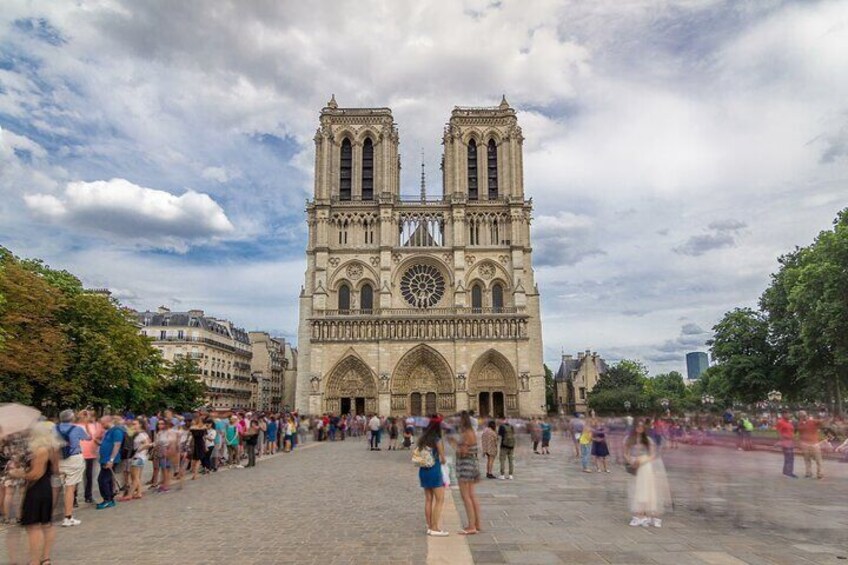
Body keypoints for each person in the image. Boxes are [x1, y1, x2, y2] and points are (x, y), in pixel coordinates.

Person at [10, 422, 60, 565]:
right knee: (46, 524)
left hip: (37, 489)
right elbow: (56, 470)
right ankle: (45, 558)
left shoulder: (40, 450)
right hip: (47, 488)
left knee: (34, 526)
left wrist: (19, 474)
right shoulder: (52, 448)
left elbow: (35, 474)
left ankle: (34, 560)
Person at [624, 420, 671, 527]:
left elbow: (653, 454)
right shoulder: (629, 439)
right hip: (634, 465)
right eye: (638, 426)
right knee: (636, 488)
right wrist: (630, 461)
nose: (639, 428)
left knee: (647, 488)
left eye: (641, 427)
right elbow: (625, 452)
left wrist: (642, 461)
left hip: (645, 465)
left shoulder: (648, 440)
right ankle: (639, 514)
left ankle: (647, 513)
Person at [54, 409, 89, 527]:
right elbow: (88, 438)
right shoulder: (77, 428)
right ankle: (68, 517)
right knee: (70, 488)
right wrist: (85, 422)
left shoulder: (54, 428)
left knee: (57, 487)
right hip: (73, 458)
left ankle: (48, 515)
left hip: (58, 459)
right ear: (72, 418)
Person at [450, 411, 482, 535]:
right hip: (473, 465)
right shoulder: (471, 432)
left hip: (465, 467)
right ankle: (477, 524)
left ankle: (471, 526)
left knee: (465, 496)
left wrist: (453, 443)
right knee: (472, 496)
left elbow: (462, 452)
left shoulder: (465, 434)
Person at [417, 418, 448, 537]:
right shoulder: (437, 439)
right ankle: (435, 528)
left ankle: (429, 526)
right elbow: (443, 457)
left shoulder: (422, 439)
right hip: (434, 470)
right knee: (440, 499)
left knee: (428, 499)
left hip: (423, 470)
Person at [96, 415, 125, 509]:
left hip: (110, 459)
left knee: (102, 480)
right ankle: (109, 499)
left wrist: (111, 459)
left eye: (103, 423)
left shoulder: (117, 431)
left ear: (108, 421)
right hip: (105, 459)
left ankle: (107, 499)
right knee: (106, 479)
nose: (101, 425)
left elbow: (117, 445)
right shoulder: (109, 431)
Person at [121, 419, 150, 501]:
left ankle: (130, 494)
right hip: (140, 457)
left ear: (140, 425)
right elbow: (127, 433)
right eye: (132, 424)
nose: (133, 425)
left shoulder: (141, 434)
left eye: (135, 424)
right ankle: (139, 492)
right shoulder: (138, 433)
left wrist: (139, 450)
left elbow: (148, 444)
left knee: (135, 477)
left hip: (138, 457)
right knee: (137, 476)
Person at [77, 410, 101, 505]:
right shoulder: (76, 426)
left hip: (91, 454)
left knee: (89, 476)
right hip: (79, 453)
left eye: (89, 415)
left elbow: (97, 438)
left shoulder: (94, 426)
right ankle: (74, 497)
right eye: (85, 415)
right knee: (77, 476)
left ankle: (88, 495)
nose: (87, 416)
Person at [797, 411, 823, 479]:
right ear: (799, 417)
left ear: (807, 415)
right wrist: (800, 443)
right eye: (801, 416)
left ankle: (819, 473)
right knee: (807, 459)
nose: (803, 417)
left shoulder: (812, 421)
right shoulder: (800, 424)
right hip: (804, 444)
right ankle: (808, 473)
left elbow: (821, 422)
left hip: (815, 443)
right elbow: (800, 434)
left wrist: (820, 420)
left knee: (818, 459)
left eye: (804, 415)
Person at [776, 410, 797, 478]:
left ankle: (787, 471)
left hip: (790, 442)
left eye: (789, 414)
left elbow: (792, 431)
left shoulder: (789, 422)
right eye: (787, 414)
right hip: (786, 442)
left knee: (790, 457)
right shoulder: (780, 422)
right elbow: (779, 432)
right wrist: (782, 441)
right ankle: (788, 472)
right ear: (783, 414)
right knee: (789, 457)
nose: (789, 415)